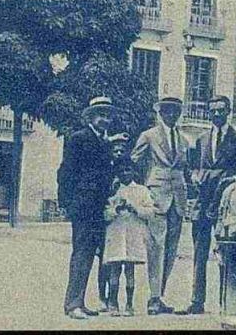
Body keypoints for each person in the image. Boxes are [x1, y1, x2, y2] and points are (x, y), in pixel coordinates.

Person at [180, 95, 236, 316]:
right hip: (204, 204)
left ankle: (228, 303)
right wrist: (194, 176)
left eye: (221, 110)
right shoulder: (202, 139)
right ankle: (196, 301)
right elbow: (192, 167)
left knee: (227, 252)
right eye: (212, 110)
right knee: (199, 253)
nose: (216, 114)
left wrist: (231, 180)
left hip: (228, 204)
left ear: (228, 111)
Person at [131, 96, 191, 316]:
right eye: (168, 111)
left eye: (176, 111)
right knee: (156, 248)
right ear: (161, 113)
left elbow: (186, 170)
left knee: (172, 250)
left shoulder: (184, 139)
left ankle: (160, 295)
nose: (172, 115)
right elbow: (133, 162)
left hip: (178, 198)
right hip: (156, 195)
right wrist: (141, 191)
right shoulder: (149, 135)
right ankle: (154, 298)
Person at [57, 96, 114, 320]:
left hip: (98, 206)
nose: (105, 119)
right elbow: (65, 172)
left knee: (90, 253)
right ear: (90, 117)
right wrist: (67, 203)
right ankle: (72, 304)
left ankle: (80, 301)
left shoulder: (104, 141)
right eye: (101, 115)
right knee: (81, 253)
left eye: (108, 115)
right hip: (83, 205)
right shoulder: (79, 138)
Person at [102, 159, 155, 317]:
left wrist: (134, 208)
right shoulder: (113, 191)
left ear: (134, 172)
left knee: (130, 271)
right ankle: (113, 303)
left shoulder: (142, 190)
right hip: (116, 234)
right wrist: (116, 209)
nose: (125, 174)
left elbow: (150, 212)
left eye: (128, 170)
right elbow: (105, 214)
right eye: (122, 171)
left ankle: (129, 304)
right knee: (115, 270)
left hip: (133, 235)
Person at [98, 131, 132, 312]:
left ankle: (117, 299)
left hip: (123, 222)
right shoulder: (105, 168)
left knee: (120, 260)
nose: (118, 154)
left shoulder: (127, 171)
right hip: (107, 217)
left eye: (122, 151)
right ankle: (102, 297)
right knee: (104, 259)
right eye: (115, 150)